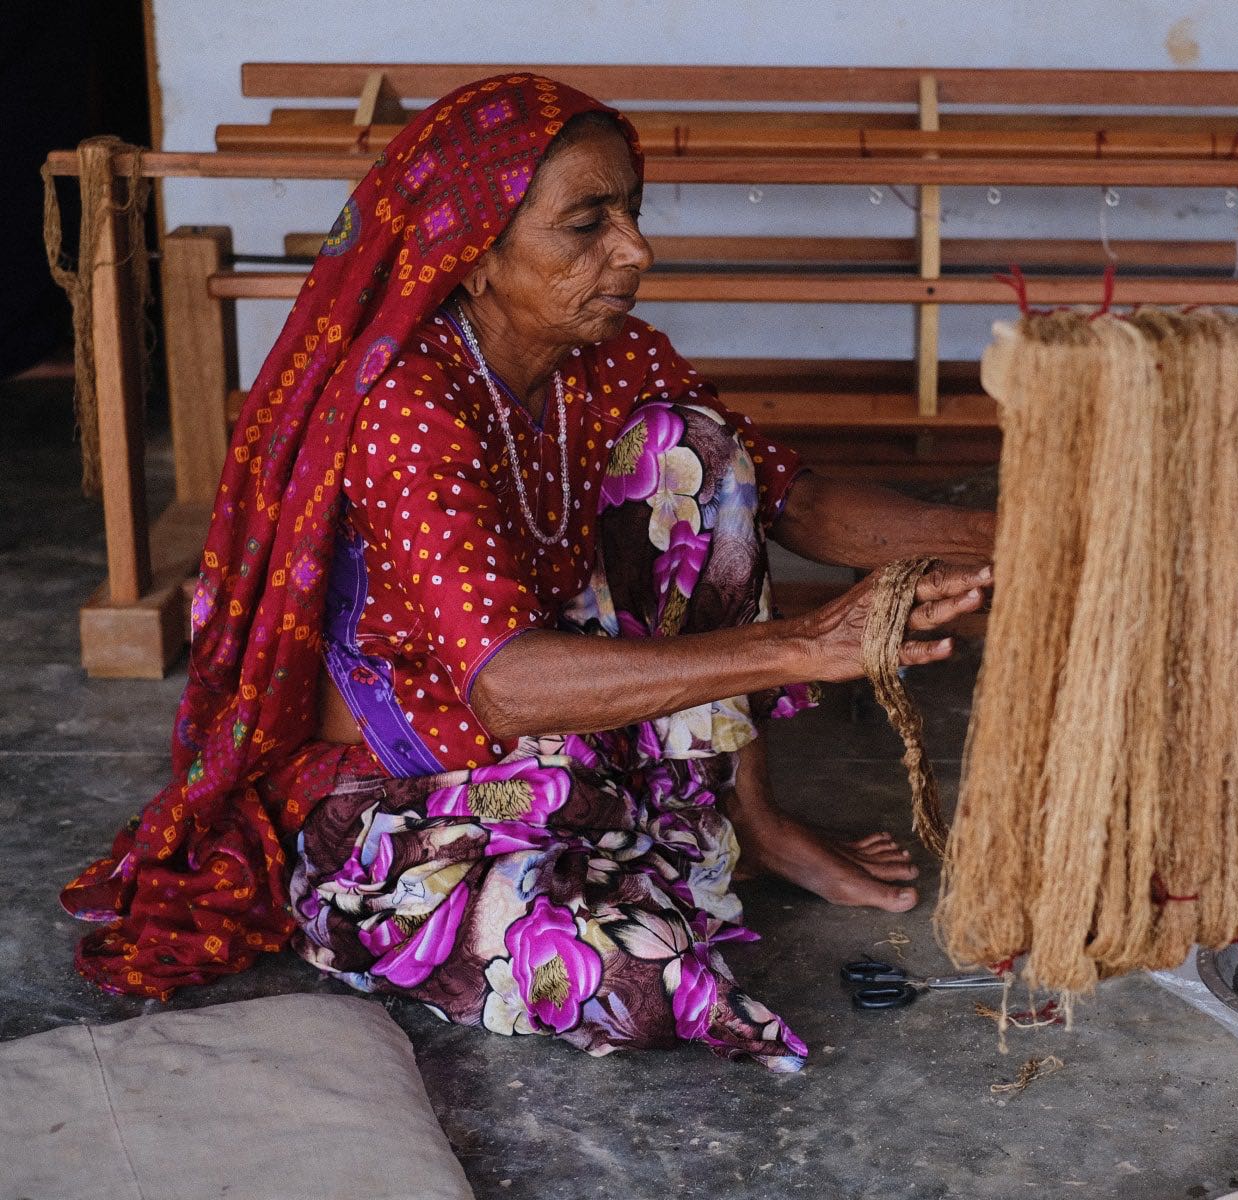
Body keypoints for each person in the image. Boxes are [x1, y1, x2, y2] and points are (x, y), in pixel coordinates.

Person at [63, 74, 992, 1072]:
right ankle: (595, 857)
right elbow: (503, 683)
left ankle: (743, 820)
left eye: (630, 214)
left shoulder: (615, 358)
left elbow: (790, 498)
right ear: (469, 257)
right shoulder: (407, 406)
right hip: (417, 782)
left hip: (569, 735)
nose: (633, 249)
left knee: (698, 453)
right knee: (629, 982)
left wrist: (1008, 534)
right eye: (586, 223)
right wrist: (804, 644)